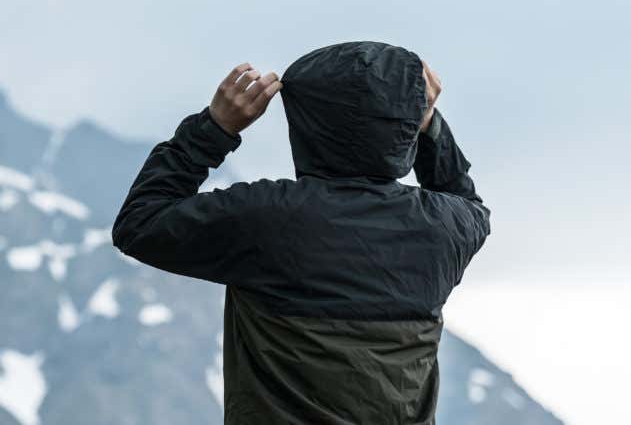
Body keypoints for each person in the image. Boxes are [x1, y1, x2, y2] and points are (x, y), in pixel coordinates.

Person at [112, 41, 491, 425]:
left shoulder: (266, 219)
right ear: (405, 124)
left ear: (306, 122)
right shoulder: (443, 229)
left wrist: (214, 128)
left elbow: (140, 223)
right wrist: (428, 124)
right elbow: (466, 202)